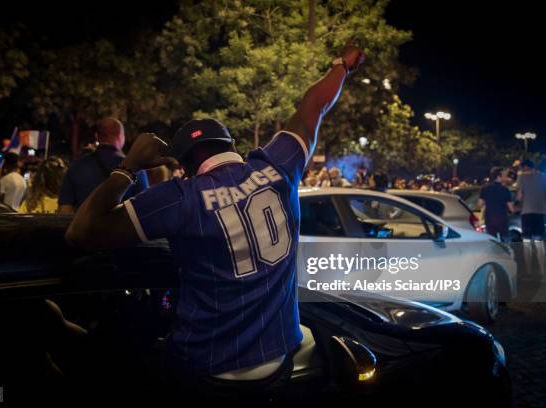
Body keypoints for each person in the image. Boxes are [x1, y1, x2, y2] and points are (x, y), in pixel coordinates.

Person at [66, 40, 364, 392]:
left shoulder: (180, 198)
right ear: (231, 145)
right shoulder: (279, 165)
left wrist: (128, 166)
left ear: (187, 167)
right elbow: (313, 105)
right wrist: (341, 66)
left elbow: (80, 233)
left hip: (205, 368)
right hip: (280, 359)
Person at [58, 117, 148, 214]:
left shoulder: (76, 167)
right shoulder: (135, 169)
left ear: (97, 136)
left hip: (86, 228)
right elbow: (144, 208)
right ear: (121, 136)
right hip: (121, 228)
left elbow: (64, 210)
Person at [478, 167, 515, 242]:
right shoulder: (505, 190)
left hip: (489, 218)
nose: (505, 177)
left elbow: (480, 205)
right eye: (504, 175)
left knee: (492, 241)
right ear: (499, 176)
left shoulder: (485, 188)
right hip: (502, 218)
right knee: (505, 240)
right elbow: (511, 208)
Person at [516, 159, 546, 241]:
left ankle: (528, 254)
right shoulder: (543, 177)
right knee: (538, 238)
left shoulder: (521, 177)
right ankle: (539, 254)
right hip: (541, 211)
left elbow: (519, 196)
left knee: (527, 239)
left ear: (525, 167)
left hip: (527, 211)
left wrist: (517, 204)